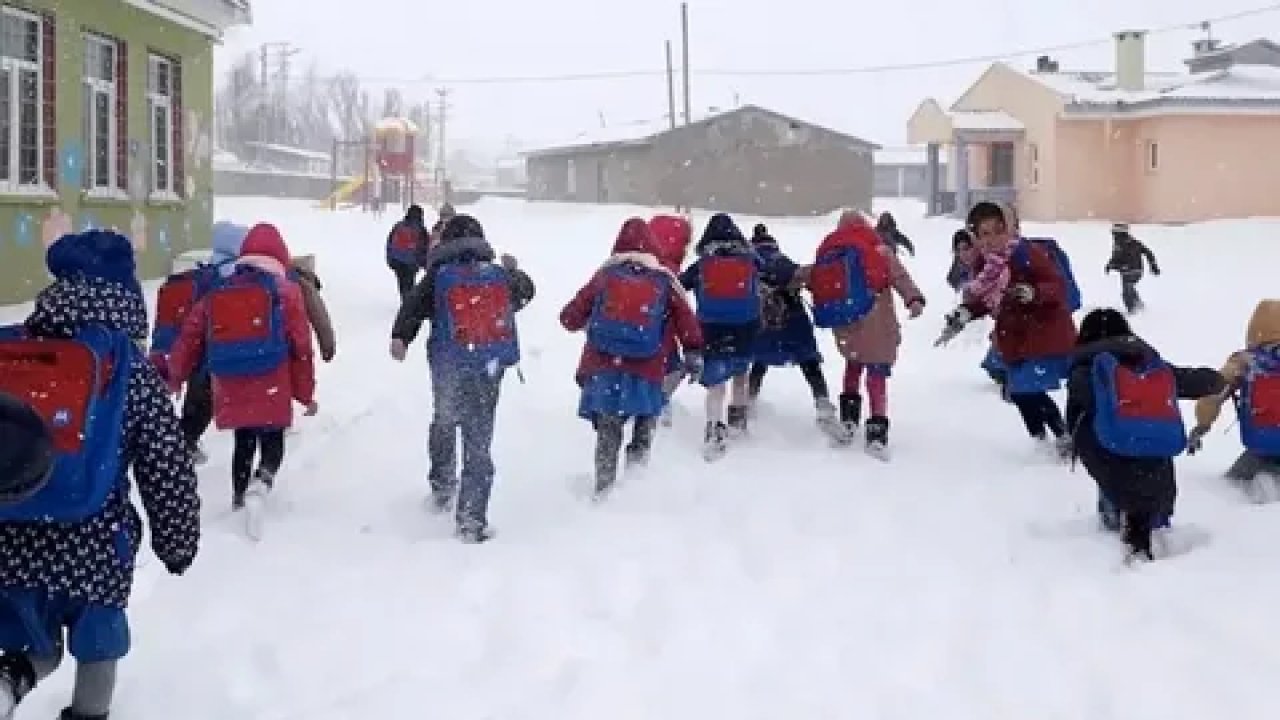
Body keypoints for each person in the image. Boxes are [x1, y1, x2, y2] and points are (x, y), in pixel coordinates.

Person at [0, 230, 199, 720]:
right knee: (97, 644)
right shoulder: (126, 367)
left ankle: (8, 681)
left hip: (11, 527)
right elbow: (166, 461)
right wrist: (176, 542)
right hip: (94, 539)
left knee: (33, 642)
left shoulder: (14, 351)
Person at [390, 214, 536, 542]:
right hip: (488, 367)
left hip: (448, 365)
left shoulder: (438, 275)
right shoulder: (498, 276)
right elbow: (527, 291)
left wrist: (401, 336)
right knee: (478, 439)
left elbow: (412, 306)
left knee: (444, 421)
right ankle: (471, 520)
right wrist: (515, 271)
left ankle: (442, 485)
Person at [168, 223, 319, 513]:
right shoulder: (286, 293)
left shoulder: (219, 291)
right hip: (272, 376)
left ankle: (238, 499)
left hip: (230, 379)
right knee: (272, 437)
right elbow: (301, 347)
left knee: (244, 437)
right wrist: (305, 392)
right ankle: (262, 481)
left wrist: (176, 375)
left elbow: (190, 336)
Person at [560, 218, 703, 498]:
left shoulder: (605, 275)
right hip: (647, 368)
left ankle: (604, 488)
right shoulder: (663, 279)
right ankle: (636, 489)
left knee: (609, 430)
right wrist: (693, 349)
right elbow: (686, 319)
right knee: (643, 425)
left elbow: (570, 318)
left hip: (605, 367)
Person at [1065, 308, 1223, 561]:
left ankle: (1118, 526)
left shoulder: (1087, 368)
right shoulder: (1147, 363)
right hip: (1154, 444)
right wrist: (1216, 380)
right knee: (1150, 486)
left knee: (1115, 484)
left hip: (1111, 447)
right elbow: (1185, 380)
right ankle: (1158, 527)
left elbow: (1077, 412)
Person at [938, 202, 1078, 457]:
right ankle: (1041, 439)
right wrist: (965, 313)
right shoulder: (985, 265)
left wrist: (1034, 292)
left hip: (1043, 332)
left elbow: (1057, 286)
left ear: (1010, 229)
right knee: (1019, 391)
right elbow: (984, 299)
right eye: (984, 234)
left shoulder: (1027, 253)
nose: (991, 239)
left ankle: (1061, 435)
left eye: (997, 231)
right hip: (1014, 337)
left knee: (1025, 387)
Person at [812, 212, 925, 454]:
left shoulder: (833, 249)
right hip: (877, 321)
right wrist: (913, 299)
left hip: (848, 321)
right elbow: (900, 277)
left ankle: (849, 420)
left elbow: (814, 276)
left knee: (853, 366)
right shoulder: (879, 250)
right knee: (876, 376)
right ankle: (877, 430)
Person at [747, 224, 843, 441]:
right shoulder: (785, 263)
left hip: (763, 326)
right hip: (793, 323)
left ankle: (748, 402)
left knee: (758, 362)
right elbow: (810, 281)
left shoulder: (749, 266)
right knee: (810, 365)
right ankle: (823, 405)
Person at [679, 213, 764, 460]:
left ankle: (714, 428)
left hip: (711, 326)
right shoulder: (750, 259)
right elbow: (767, 274)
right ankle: (738, 422)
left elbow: (680, 286)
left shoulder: (702, 264)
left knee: (716, 381)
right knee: (740, 374)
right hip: (745, 325)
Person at [1188, 300, 1280, 495]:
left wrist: (1202, 425)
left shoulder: (1245, 361)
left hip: (1263, 442)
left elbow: (1214, 393)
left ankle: (1252, 496)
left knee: (1230, 486)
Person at [648, 214, 694, 427]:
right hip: (661, 339)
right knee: (673, 369)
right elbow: (680, 314)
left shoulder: (630, 262)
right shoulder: (671, 274)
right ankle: (659, 405)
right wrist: (691, 344)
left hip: (628, 336)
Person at [1104, 223, 1160, 314]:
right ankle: (1139, 306)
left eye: (1114, 233)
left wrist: (1112, 265)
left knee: (1127, 291)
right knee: (1129, 288)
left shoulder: (1122, 244)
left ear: (1121, 233)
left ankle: (1134, 311)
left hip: (1129, 271)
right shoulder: (1133, 242)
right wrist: (1153, 265)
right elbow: (1148, 253)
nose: (1113, 236)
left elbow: (1118, 257)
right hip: (1136, 270)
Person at [386, 205, 431, 300]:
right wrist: (424, 263)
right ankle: (408, 304)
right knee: (410, 284)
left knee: (402, 282)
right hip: (411, 263)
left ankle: (405, 301)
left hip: (397, 260)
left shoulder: (399, 225)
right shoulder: (421, 229)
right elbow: (424, 248)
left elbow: (390, 242)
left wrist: (390, 259)